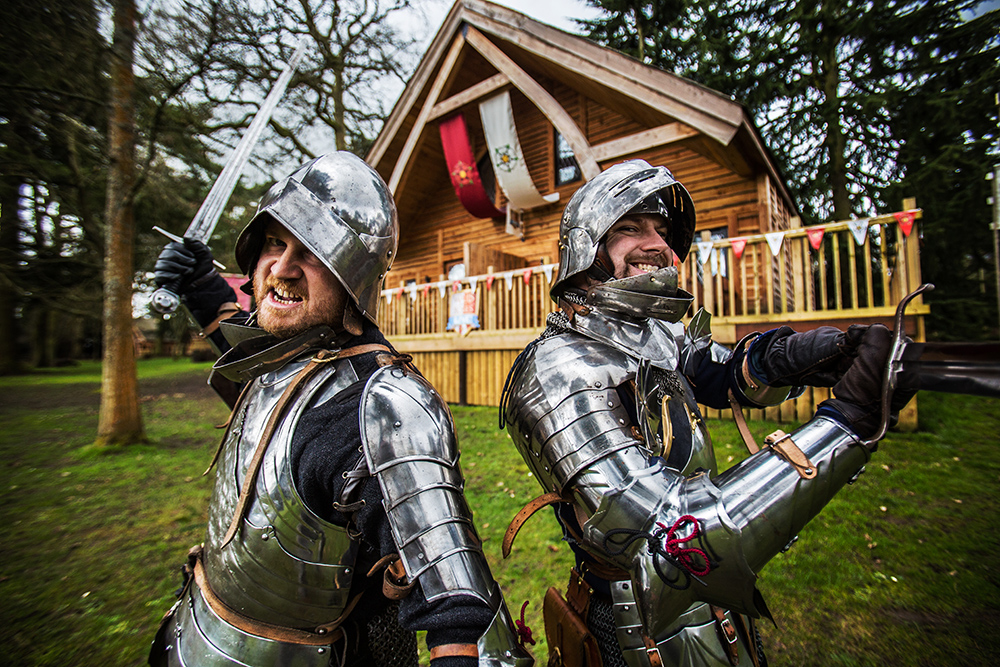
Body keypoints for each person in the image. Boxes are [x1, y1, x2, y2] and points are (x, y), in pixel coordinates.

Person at [499, 159, 913, 667]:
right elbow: (672, 536)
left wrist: (809, 355)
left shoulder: (655, 333)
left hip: (718, 608)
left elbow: (717, 371)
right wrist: (846, 425)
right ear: (587, 249)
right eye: (630, 227)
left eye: (661, 229)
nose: (655, 243)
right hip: (638, 622)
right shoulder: (557, 369)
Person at [148, 152, 533, 667]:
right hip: (196, 635)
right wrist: (201, 289)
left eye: (310, 252)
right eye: (274, 243)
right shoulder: (289, 355)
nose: (281, 268)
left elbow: (456, 599)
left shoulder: (382, 408)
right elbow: (268, 395)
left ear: (352, 276)